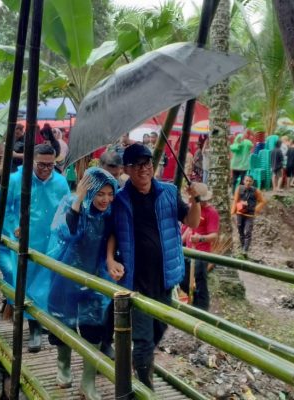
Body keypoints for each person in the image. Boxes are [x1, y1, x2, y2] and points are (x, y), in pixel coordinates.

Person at [106, 143, 200, 388]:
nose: (144, 169)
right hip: (136, 279)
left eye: (147, 163)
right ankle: (144, 385)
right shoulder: (119, 199)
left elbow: (192, 221)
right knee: (144, 339)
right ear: (127, 168)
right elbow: (112, 232)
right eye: (137, 165)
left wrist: (196, 200)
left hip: (165, 277)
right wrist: (110, 258)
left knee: (159, 329)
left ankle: (140, 365)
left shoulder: (168, 192)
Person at [0, 143, 70, 352]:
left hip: (52, 242)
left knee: (50, 285)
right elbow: (1, 205)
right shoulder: (17, 180)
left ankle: (45, 322)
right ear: (31, 161)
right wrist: (13, 226)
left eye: (50, 165)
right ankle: (34, 327)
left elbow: (67, 208)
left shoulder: (60, 183)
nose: (45, 169)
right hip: (26, 242)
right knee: (27, 285)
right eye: (41, 165)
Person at [46, 168, 117, 398]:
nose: (105, 199)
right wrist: (79, 199)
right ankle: (63, 365)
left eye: (109, 194)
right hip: (67, 274)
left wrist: (109, 259)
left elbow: (114, 234)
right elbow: (66, 233)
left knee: (94, 327)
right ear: (90, 192)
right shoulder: (72, 203)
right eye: (100, 194)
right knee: (64, 322)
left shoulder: (109, 212)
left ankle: (88, 382)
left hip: (95, 276)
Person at [179, 182, 218, 310]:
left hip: (202, 253)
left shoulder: (211, 212)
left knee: (201, 282)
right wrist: (180, 241)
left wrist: (200, 238)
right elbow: (187, 228)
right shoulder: (191, 208)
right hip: (188, 251)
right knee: (182, 279)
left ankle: (202, 310)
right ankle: (194, 301)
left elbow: (214, 235)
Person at [231, 175, 266, 256]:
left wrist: (255, 209)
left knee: (248, 231)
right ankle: (243, 246)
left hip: (249, 214)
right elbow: (235, 200)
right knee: (240, 229)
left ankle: (245, 250)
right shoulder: (239, 188)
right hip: (240, 213)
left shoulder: (256, 191)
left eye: (250, 181)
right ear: (243, 181)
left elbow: (262, 201)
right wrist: (233, 212)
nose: (248, 182)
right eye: (246, 180)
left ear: (252, 182)